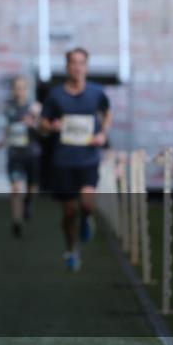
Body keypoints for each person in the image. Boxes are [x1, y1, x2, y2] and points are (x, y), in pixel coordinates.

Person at [40, 48, 111, 272]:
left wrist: (102, 134)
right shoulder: (55, 95)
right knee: (69, 212)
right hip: (64, 160)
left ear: (86, 67)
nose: (78, 67)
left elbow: (107, 112)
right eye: (73, 63)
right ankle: (71, 250)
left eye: (82, 63)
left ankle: (87, 218)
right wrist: (52, 126)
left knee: (87, 203)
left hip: (88, 158)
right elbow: (42, 122)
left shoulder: (96, 92)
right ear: (67, 66)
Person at [0, 75, 41, 238]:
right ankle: (17, 221)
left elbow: (43, 130)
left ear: (27, 90)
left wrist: (34, 123)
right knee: (15, 188)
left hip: (32, 153)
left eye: (22, 88)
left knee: (32, 188)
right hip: (15, 154)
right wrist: (2, 140)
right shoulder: (9, 108)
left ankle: (28, 203)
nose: (19, 91)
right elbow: (10, 128)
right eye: (16, 88)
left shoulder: (35, 108)